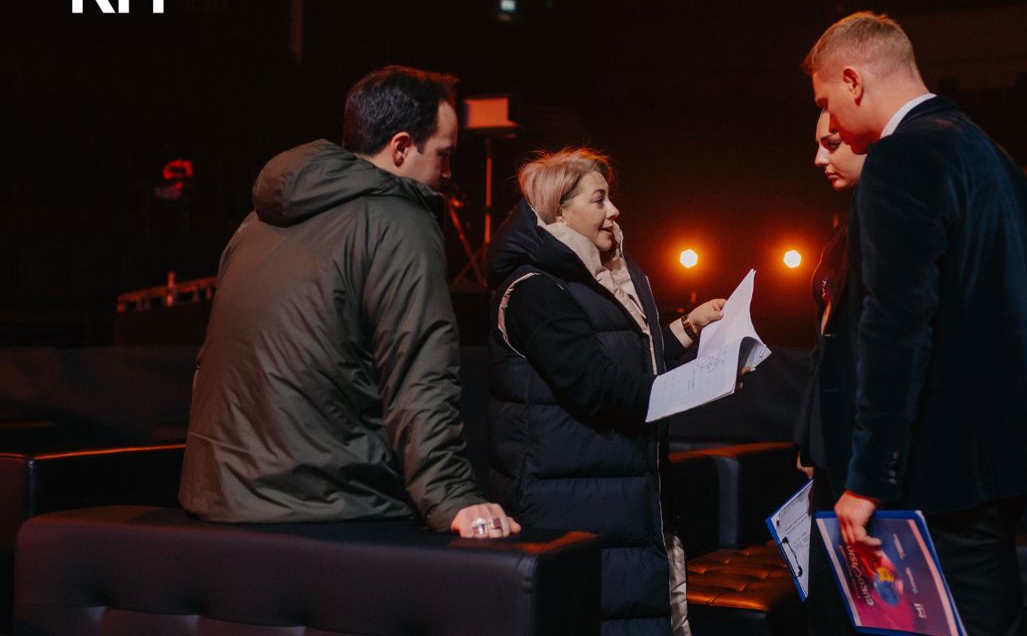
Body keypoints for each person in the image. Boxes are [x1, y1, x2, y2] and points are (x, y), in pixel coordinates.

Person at [804, 12, 1027, 635]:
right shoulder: (996, 158)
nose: (830, 120)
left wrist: (868, 479)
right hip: (1004, 461)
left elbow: (895, 328)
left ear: (853, 81)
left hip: (937, 469)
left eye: (825, 101)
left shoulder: (902, 157)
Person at [180, 65, 518, 540]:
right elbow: (418, 369)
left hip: (219, 498)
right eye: (443, 154)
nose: (447, 173)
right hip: (332, 506)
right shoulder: (400, 220)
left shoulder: (256, 222)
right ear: (401, 147)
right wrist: (451, 498)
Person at [485, 147, 725, 636]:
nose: (614, 211)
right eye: (599, 200)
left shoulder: (597, 277)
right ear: (559, 211)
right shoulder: (534, 289)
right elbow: (597, 385)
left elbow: (626, 358)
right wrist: (702, 383)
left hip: (614, 496)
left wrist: (687, 329)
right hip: (572, 505)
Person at [793, 111, 870, 634]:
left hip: (862, 450)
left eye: (832, 143)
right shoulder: (842, 235)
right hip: (831, 446)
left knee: (868, 606)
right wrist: (808, 436)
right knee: (829, 604)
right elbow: (824, 352)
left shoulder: (883, 226)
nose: (819, 157)